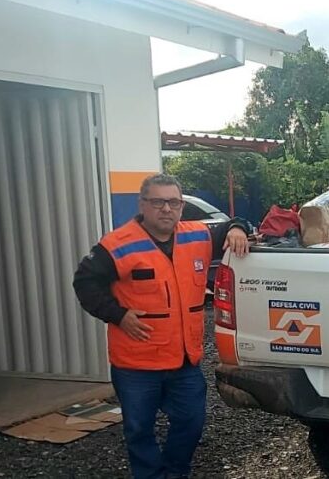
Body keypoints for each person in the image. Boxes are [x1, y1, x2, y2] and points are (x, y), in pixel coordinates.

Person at [73, 174, 251, 479]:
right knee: (139, 429)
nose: (166, 209)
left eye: (173, 202)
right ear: (142, 205)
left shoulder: (196, 236)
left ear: (181, 206)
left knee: (191, 422)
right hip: (136, 363)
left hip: (184, 360)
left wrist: (237, 228)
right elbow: (84, 282)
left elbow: (234, 223)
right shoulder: (118, 245)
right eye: (158, 202)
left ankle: (174, 471)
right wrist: (117, 314)